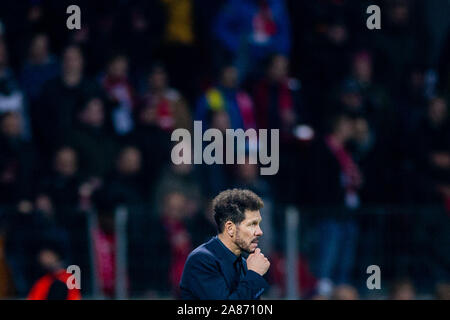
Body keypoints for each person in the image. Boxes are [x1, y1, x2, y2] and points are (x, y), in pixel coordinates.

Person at [179, 188, 270, 299]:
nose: (260, 232)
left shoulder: (244, 263)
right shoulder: (201, 260)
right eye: (252, 224)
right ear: (230, 228)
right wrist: (254, 275)